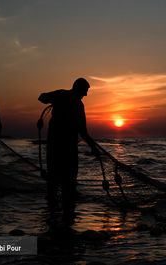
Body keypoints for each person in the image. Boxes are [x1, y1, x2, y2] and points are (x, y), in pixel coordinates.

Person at [38, 77, 99, 225]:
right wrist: (93, 147)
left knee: (54, 178)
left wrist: (53, 100)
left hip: (54, 146)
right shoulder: (77, 104)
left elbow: (41, 97)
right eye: (85, 91)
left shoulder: (61, 95)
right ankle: (66, 218)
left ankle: (53, 213)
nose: (86, 95)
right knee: (69, 182)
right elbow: (83, 131)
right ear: (78, 88)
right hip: (67, 148)